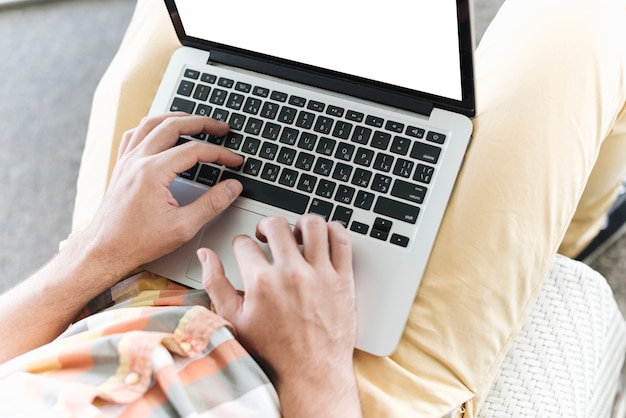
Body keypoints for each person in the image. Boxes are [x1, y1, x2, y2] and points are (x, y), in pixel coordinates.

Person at [1, 0, 626, 416]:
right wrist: (311, 366)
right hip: (333, 380)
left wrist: (95, 252)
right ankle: (563, 242)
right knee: (585, 15)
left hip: (100, 295)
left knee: (187, 31)